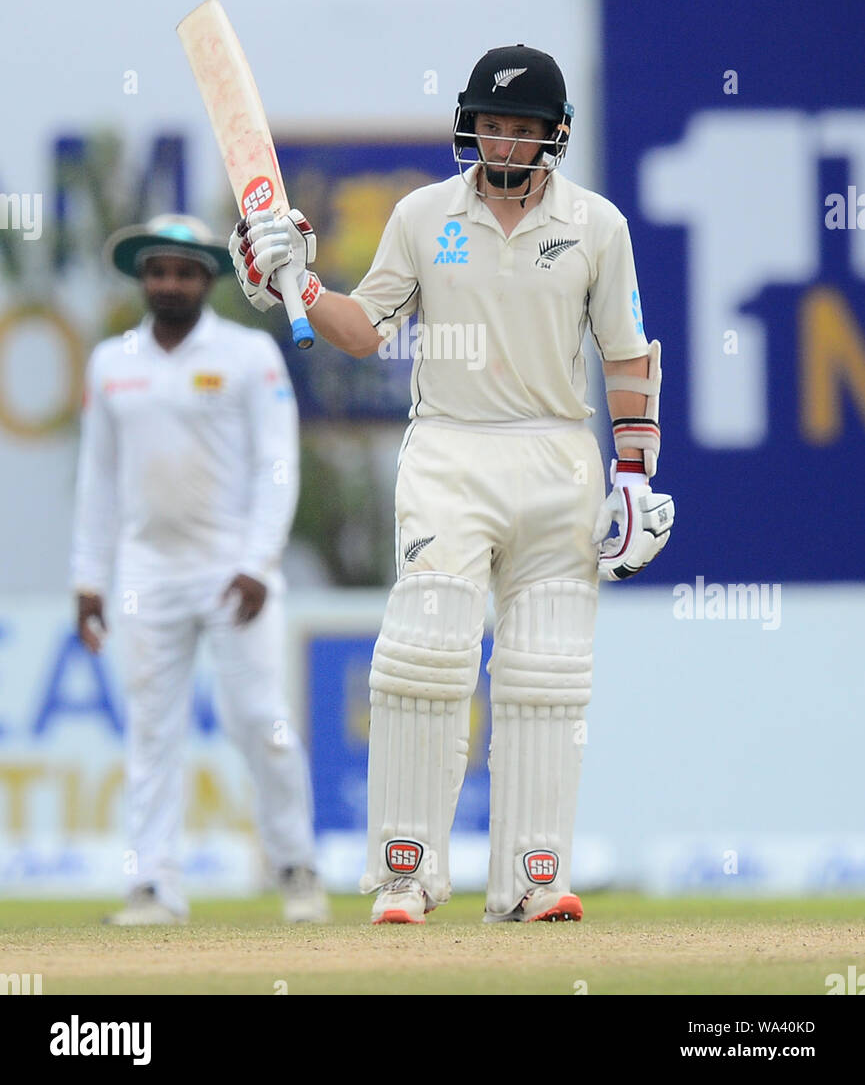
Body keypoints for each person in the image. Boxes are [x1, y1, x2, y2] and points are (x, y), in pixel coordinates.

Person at [230, 45, 674, 925]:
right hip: (448, 451)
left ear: (555, 136)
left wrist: (632, 475)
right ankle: (407, 873)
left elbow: (624, 354)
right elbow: (360, 331)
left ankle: (531, 878)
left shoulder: (597, 226)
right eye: (492, 127)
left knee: (547, 676)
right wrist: (296, 283)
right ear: (470, 127)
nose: (505, 144)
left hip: (556, 456)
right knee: (425, 653)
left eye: (522, 130)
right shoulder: (423, 215)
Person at [72, 213, 327, 925]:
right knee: (151, 732)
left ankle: (296, 868)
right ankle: (152, 884)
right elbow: (97, 480)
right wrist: (88, 578)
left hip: (232, 568)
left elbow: (279, 465)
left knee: (261, 722)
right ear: (142, 279)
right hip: (146, 571)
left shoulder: (250, 356)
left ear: (209, 280)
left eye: (184, 271)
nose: (169, 283)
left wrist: (255, 561)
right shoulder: (111, 362)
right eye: (157, 271)